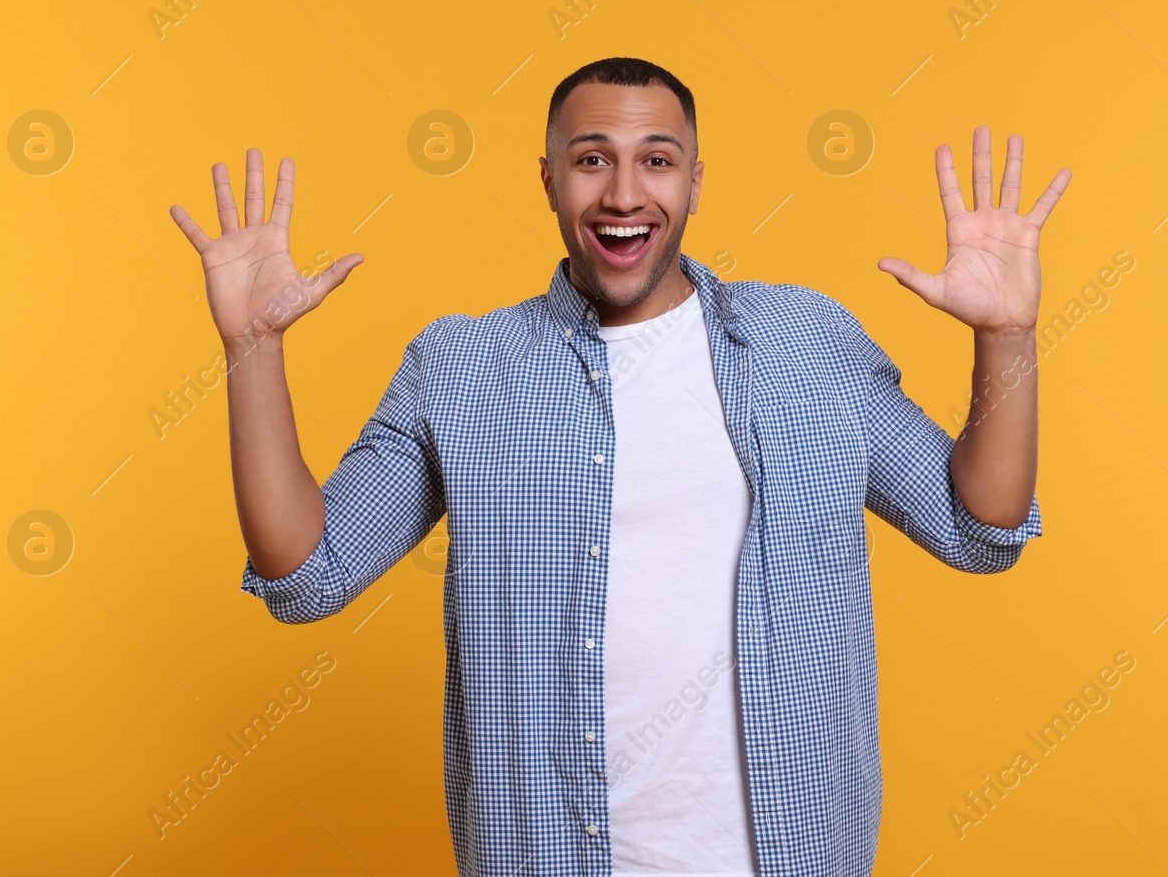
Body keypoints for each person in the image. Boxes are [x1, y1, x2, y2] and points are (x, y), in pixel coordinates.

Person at [168, 56, 1070, 877]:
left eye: (658, 159)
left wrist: (1007, 336)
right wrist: (252, 349)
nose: (624, 193)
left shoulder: (807, 343)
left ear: (696, 180)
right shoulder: (462, 368)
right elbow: (307, 572)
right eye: (593, 159)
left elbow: (977, 528)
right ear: (551, 180)